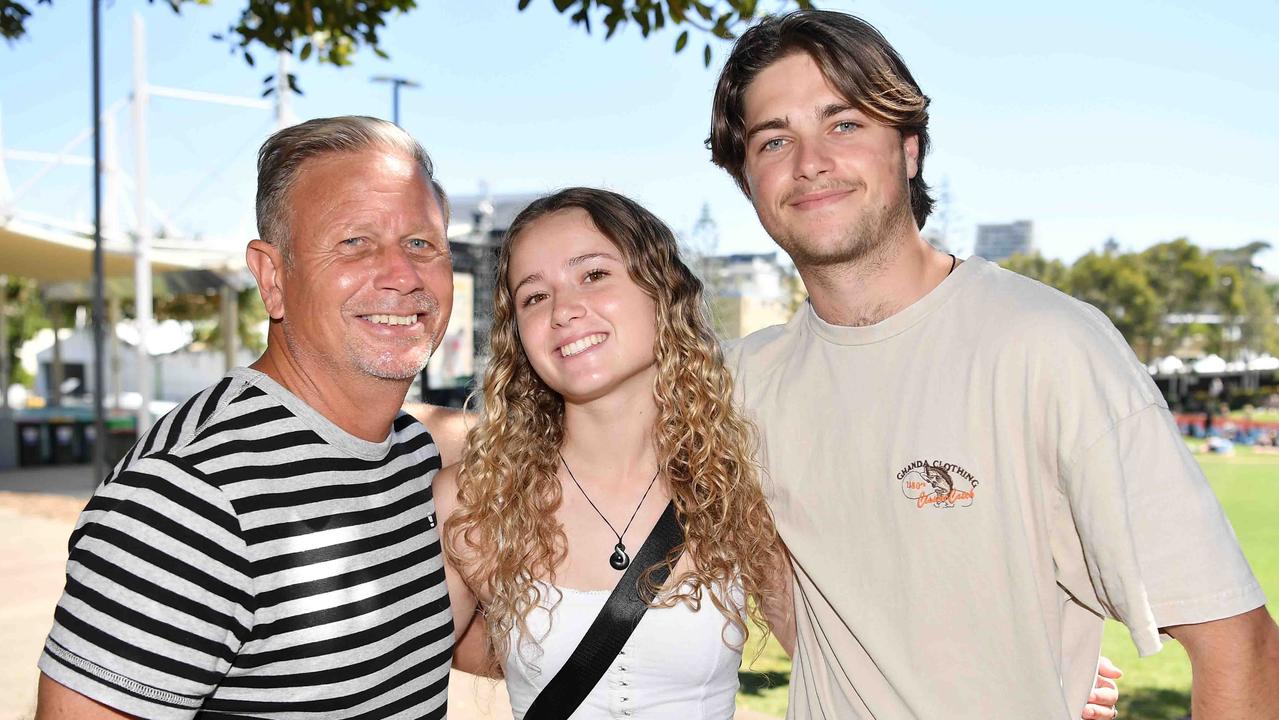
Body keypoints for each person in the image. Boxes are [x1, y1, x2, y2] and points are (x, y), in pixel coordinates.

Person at [707, 9, 1279, 719]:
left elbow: (1238, 645)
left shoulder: (1048, 344)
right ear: (747, 178)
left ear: (908, 148)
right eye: (772, 139)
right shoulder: (737, 386)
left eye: (844, 124)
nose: (809, 161)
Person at [35, 116, 456, 718]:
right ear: (273, 277)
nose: (401, 275)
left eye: (421, 243)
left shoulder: (411, 455)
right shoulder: (184, 499)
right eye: (354, 243)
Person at [435, 187, 795, 719]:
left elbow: (835, 667)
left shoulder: (743, 483)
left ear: (662, 290)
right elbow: (398, 679)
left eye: (593, 275)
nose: (563, 311)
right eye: (534, 296)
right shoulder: (473, 501)